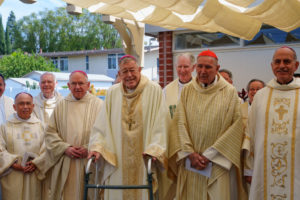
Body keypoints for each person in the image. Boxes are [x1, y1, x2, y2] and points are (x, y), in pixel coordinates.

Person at [88, 55, 168, 200]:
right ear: (119, 74)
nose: (129, 75)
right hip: (117, 161)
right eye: (124, 72)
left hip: (144, 158)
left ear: (139, 70)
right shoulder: (112, 92)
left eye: (132, 70)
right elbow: (102, 124)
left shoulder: (154, 90)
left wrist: (155, 148)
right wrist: (97, 146)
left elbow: (161, 122)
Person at [171, 49, 247, 200]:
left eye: (208, 67)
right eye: (199, 66)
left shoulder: (229, 92)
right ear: (195, 67)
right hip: (190, 163)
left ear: (217, 68)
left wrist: (209, 156)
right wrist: (190, 154)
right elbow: (179, 122)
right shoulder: (187, 91)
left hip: (216, 163)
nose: (203, 71)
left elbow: (235, 127)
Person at [243, 46, 300, 200]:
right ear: (272, 66)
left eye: (287, 61)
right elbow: (250, 134)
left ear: (296, 65)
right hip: (264, 169)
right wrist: (249, 170)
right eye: (277, 62)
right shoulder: (261, 96)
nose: (282, 65)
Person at [37, 70, 103, 200]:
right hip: (67, 162)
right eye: (74, 83)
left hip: (90, 161)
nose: (77, 87)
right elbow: (50, 133)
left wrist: (89, 148)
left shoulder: (99, 105)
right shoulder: (61, 105)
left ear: (88, 84)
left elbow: (105, 132)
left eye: (81, 83)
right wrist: (65, 148)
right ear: (68, 85)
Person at [0, 92, 45, 200]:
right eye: (21, 104)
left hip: (35, 173)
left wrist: (36, 163)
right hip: (12, 175)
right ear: (14, 107)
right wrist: (14, 164)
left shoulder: (41, 126)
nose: (25, 107)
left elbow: (48, 149)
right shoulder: (5, 127)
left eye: (28, 103)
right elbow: (0, 150)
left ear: (33, 106)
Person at [163, 53, 195, 118]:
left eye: (186, 66)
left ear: (193, 68)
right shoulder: (166, 90)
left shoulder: (200, 87)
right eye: (179, 66)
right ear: (176, 67)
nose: (182, 70)